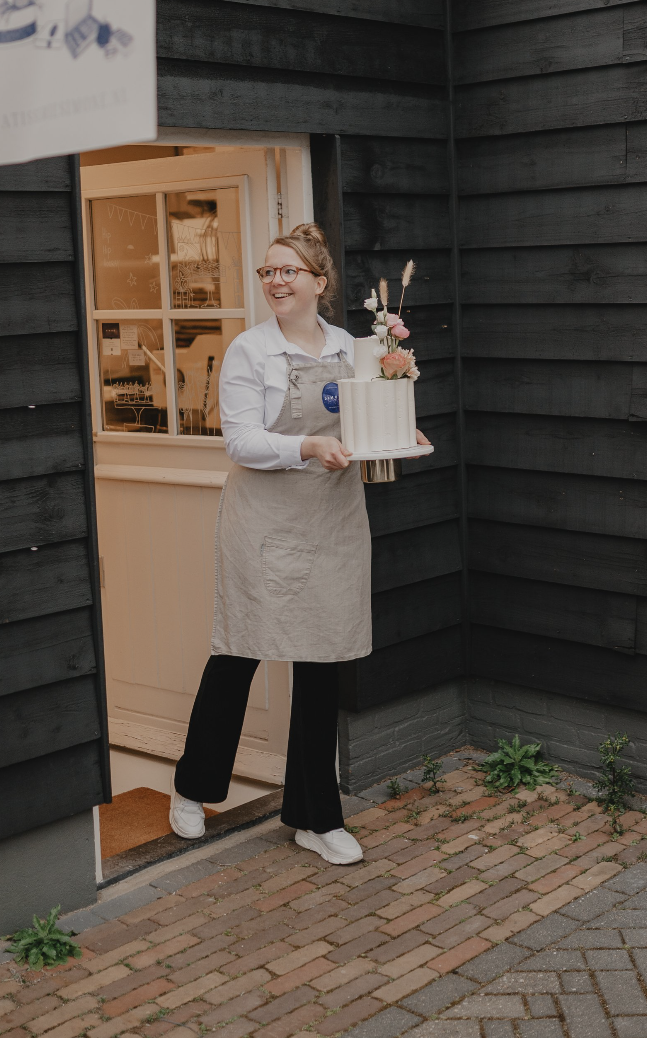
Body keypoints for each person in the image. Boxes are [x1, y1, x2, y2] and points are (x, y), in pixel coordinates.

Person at [169, 222, 429, 864]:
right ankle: (193, 787)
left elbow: (365, 416)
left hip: (332, 520)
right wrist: (308, 445)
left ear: (319, 281)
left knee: (323, 660)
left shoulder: (349, 345)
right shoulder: (249, 351)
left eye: (289, 270)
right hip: (265, 524)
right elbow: (240, 442)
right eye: (269, 271)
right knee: (239, 652)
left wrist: (399, 431)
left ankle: (315, 817)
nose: (276, 281)